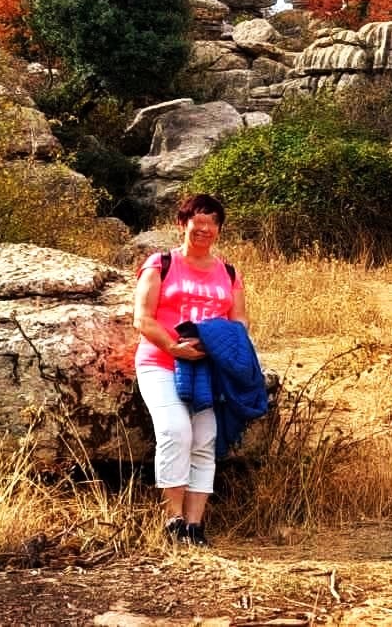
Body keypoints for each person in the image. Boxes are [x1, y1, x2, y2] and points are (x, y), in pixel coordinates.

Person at [131, 193, 246, 547]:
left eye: (212, 223)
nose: (205, 229)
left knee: (204, 440)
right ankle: (173, 520)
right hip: (161, 362)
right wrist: (173, 346)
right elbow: (142, 319)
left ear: (219, 229)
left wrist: (217, 345)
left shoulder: (229, 273)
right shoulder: (161, 264)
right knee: (175, 431)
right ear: (182, 224)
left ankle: (194, 527)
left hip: (209, 368)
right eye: (198, 222)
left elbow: (239, 322)